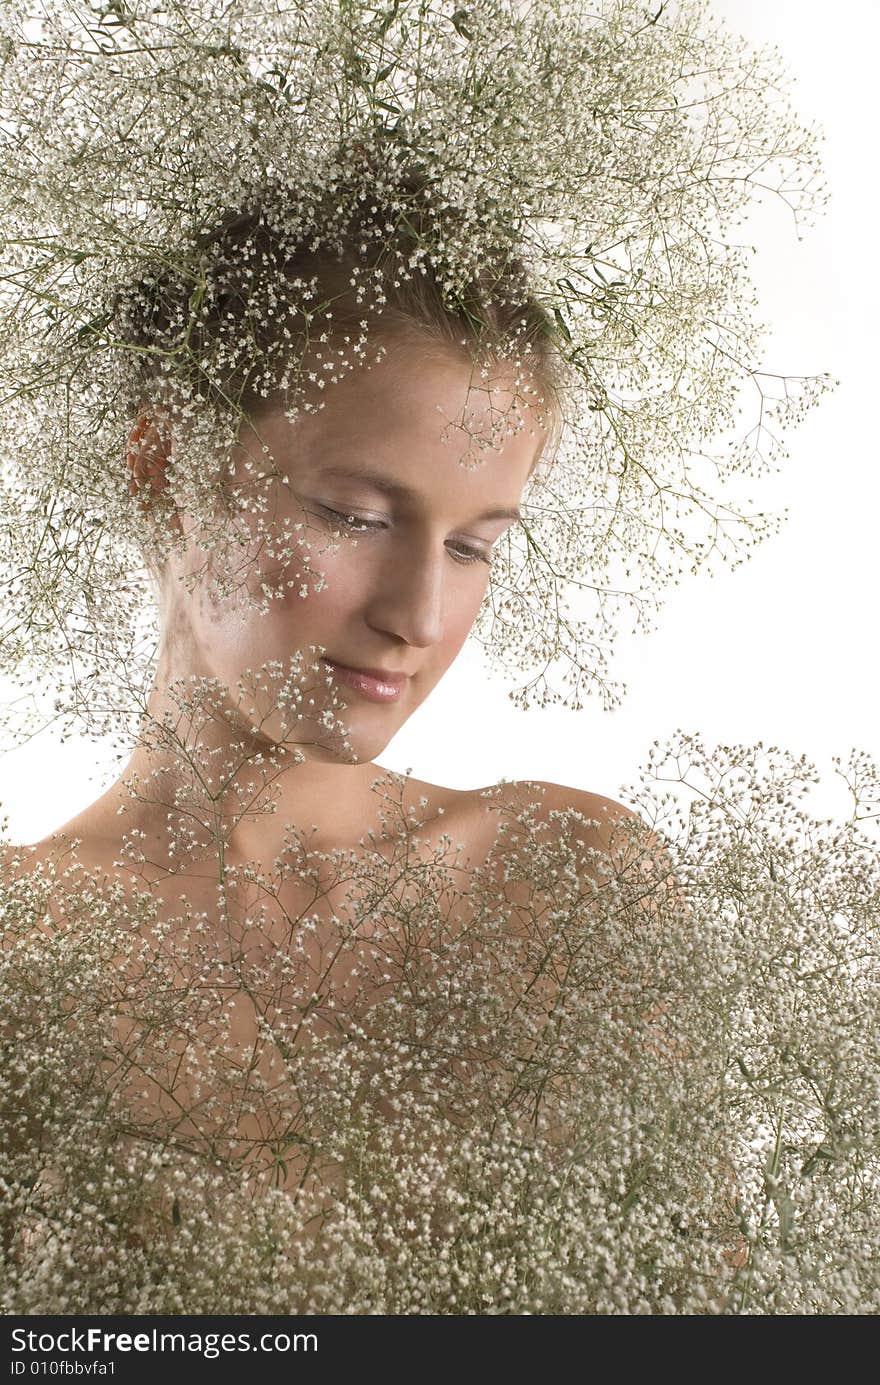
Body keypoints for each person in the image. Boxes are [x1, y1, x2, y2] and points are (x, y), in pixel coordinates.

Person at [3, 184, 646, 1208]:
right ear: (167, 466)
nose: (420, 615)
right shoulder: (22, 950)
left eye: (474, 544)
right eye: (356, 516)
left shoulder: (564, 878)